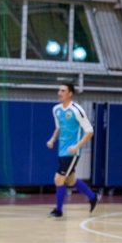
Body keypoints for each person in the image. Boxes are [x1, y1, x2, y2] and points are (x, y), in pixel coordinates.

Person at [46, 83, 101, 218]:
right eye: (59, 90)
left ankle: (58, 211)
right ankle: (93, 196)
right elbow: (58, 128)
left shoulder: (77, 110)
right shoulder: (56, 109)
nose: (59, 93)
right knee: (70, 181)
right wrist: (52, 140)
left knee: (58, 179)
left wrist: (77, 147)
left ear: (70, 93)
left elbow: (90, 131)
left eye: (63, 91)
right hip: (61, 150)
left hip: (72, 152)